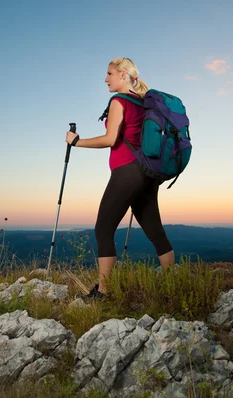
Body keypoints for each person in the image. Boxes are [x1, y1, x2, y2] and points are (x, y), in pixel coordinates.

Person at [65, 57, 175, 299]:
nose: (106, 79)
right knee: (155, 231)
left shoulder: (118, 101)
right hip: (147, 173)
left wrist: (76, 142)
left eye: (109, 74)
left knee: (103, 228)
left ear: (123, 75)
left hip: (127, 171)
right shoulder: (143, 102)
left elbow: (110, 139)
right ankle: (171, 284)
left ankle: (104, 292)